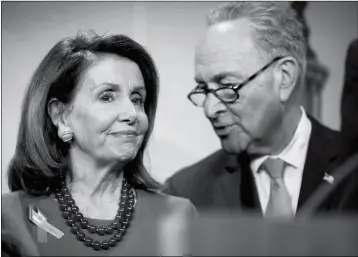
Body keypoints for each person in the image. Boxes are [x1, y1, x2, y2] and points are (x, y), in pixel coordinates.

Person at [2, 32, 196, 256]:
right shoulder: (10, 216)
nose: (132, 113)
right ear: (61, 116)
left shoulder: (177, 215)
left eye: (137, 99)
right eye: (107, 96)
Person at [163, 2, 355, 217]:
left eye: (227, 85)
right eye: (204, 89)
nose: (210, 109)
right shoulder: (186, 194)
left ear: (284, 77)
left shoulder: (352, 169)